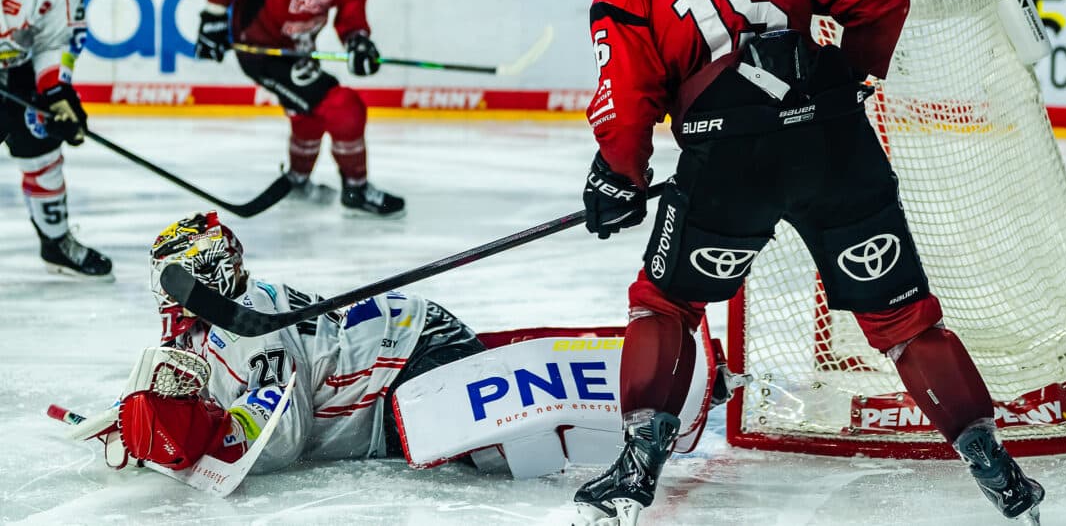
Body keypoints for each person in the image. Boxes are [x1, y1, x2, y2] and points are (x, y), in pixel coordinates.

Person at [574, 0, 1044, 525]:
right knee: (907, 320)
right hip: (837, 147)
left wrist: (620, 179)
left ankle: (635, 471)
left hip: (731, 165)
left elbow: (624, 109)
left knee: (665, 303)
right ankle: (998, 471)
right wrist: (847, 81)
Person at [82, 210, 734, 484]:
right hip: (405, 361)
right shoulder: (229, 322)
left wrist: (199, 434)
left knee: (496, 445)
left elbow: (281, 436)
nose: (166, 297)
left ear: (213, 276)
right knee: (458, 434)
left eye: (177, 280)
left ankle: (673, 383)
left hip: (415, 361)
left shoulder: (251, 323)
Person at [194, 0, 404, 216]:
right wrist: (214, 22)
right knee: (345, 108)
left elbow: (350, 19)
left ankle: (298, 178)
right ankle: (356, 189)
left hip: (295, 53)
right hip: (261, 52)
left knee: (309, 111)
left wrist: (358, 42)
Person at [0, 0, 112, 279]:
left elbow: (56, 43)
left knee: (45, 156)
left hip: (19, 73)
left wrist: (56, 94)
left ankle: (56, 242)